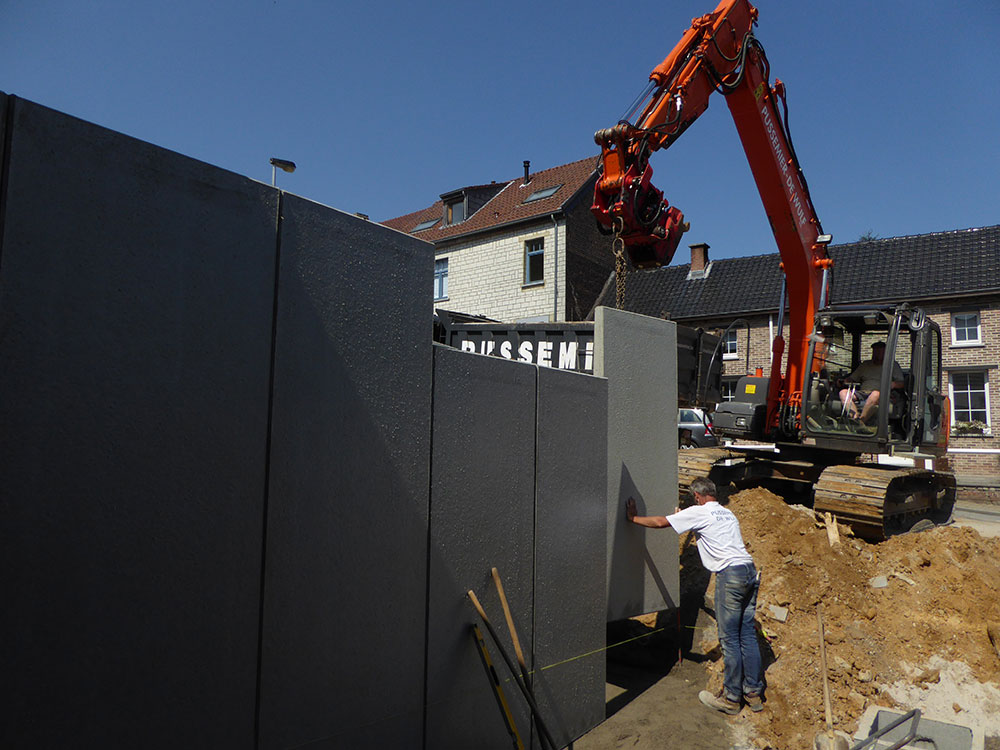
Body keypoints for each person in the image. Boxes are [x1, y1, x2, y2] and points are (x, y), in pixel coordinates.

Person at [625, 478, 763, 715]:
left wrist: (633, 518)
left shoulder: (699, 512)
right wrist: (685, 517)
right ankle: (753, 693)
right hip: (749, 570)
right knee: (746, 635)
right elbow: (708, 531)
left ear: (697, 496)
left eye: (694, 499)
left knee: (729, 638)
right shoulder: (728, 514)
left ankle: (731, 699)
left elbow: (660, 522)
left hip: (730, 575)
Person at [838, 341, 904, 424]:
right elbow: (852, 378)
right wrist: (844, 381)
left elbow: (902, 383)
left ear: (886, 353)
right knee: (843, 393)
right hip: (863, 393)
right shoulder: (865, 365)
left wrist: (894, 384)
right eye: (875, 351)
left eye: (880, 352)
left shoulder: (893, 365)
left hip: (883, 394)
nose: (877, 354)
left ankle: (861, 421)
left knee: (875, 394)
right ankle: (854, 418)